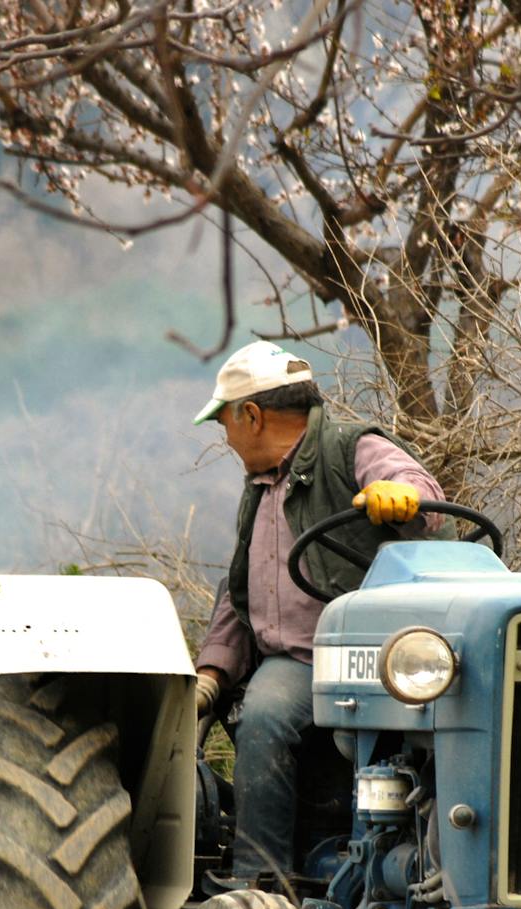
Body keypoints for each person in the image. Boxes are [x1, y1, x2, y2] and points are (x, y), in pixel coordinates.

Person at [191, 341, 447, 878]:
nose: (226, 436)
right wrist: (211, 675)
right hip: (298, 666)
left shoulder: (350, 448)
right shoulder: (260, 490)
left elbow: (420, 491)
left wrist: (398, 496)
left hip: (369, 662)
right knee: (264, 714)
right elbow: (241, 594)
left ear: (252, 416)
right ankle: (259, 884)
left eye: (226, 423)